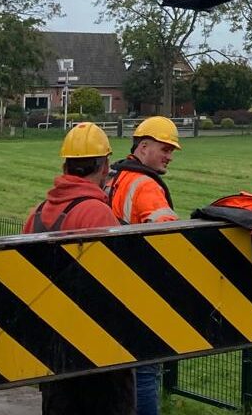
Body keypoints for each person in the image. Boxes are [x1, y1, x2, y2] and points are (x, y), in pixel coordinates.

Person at [24, 122, 135, 414]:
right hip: (97, 357)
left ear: (65, 165)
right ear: (104, 165)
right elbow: (117, 284)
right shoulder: (96, 212)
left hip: (52, 349)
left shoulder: (36, 214)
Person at [105, 116, 181, 415]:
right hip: (142, 289)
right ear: (144, 146)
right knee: (147, 371)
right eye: (165, 149)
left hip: (110, 284)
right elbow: (170, 239)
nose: (169, 156)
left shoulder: (113, 176)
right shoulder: (147, 186)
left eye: (172, 150)